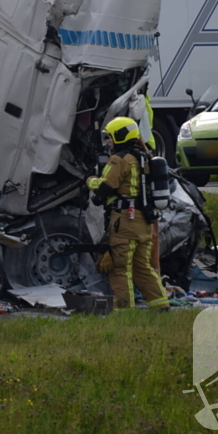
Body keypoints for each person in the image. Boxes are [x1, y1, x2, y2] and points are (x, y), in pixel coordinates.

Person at [86, 117, 169, 312]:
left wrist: (90, 181)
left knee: (119, 268)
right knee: (142, 267)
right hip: (144, 222)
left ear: (120, 136)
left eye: (111, 137)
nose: (109, 142)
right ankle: (161, 305)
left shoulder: (119, 160)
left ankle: (124, 311)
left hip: (125, 222)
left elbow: (105, 187)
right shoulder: (146, 158)